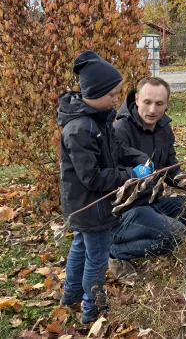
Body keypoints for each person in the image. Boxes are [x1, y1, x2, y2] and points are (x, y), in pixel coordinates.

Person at [57, 51, 153, 325]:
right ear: (95, 92)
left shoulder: (98, 119)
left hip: (89, 205)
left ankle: (70, 296)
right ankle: (93, 310)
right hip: (91, 206)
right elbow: (93, 178)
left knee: (80, 247)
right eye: (111, 94)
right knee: (97, 259)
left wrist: (139, 159)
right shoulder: (79, 129)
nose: (115, 99)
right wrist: (131, 175)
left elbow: (117, 148)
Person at [108, 76, 186, 282]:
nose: (153, 110)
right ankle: (113, 251)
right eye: (147, 102)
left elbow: (171, 169)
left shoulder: (163, 128)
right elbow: (111, 180)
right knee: (177, 234)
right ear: (136, 99)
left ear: (167, 104)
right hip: (124, 213)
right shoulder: (119, 131)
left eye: (159, 103)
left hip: (154, 203)